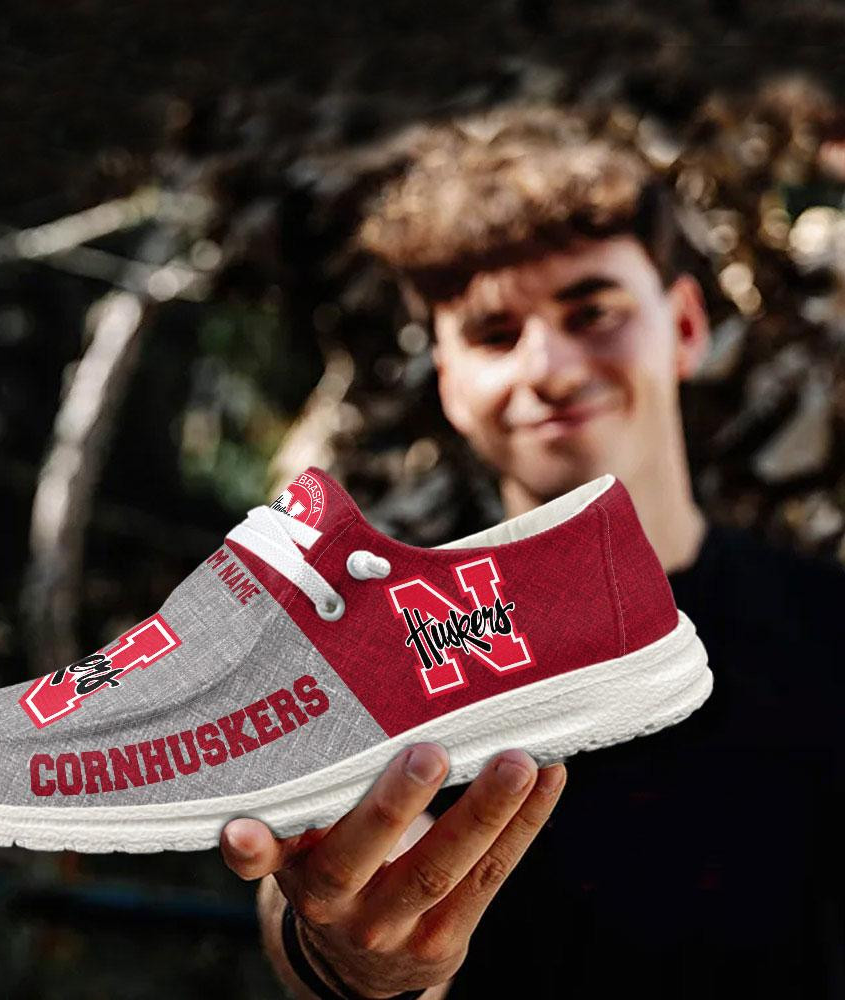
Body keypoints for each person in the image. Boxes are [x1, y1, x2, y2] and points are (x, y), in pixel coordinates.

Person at [219, 106, 845, 999]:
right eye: (494, 333)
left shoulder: (830, 628)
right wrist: (350, 953)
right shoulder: (380, 659)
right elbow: (326, 892)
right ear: (449, 382)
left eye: (592, 311)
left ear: (684, 326)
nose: (548, 367)